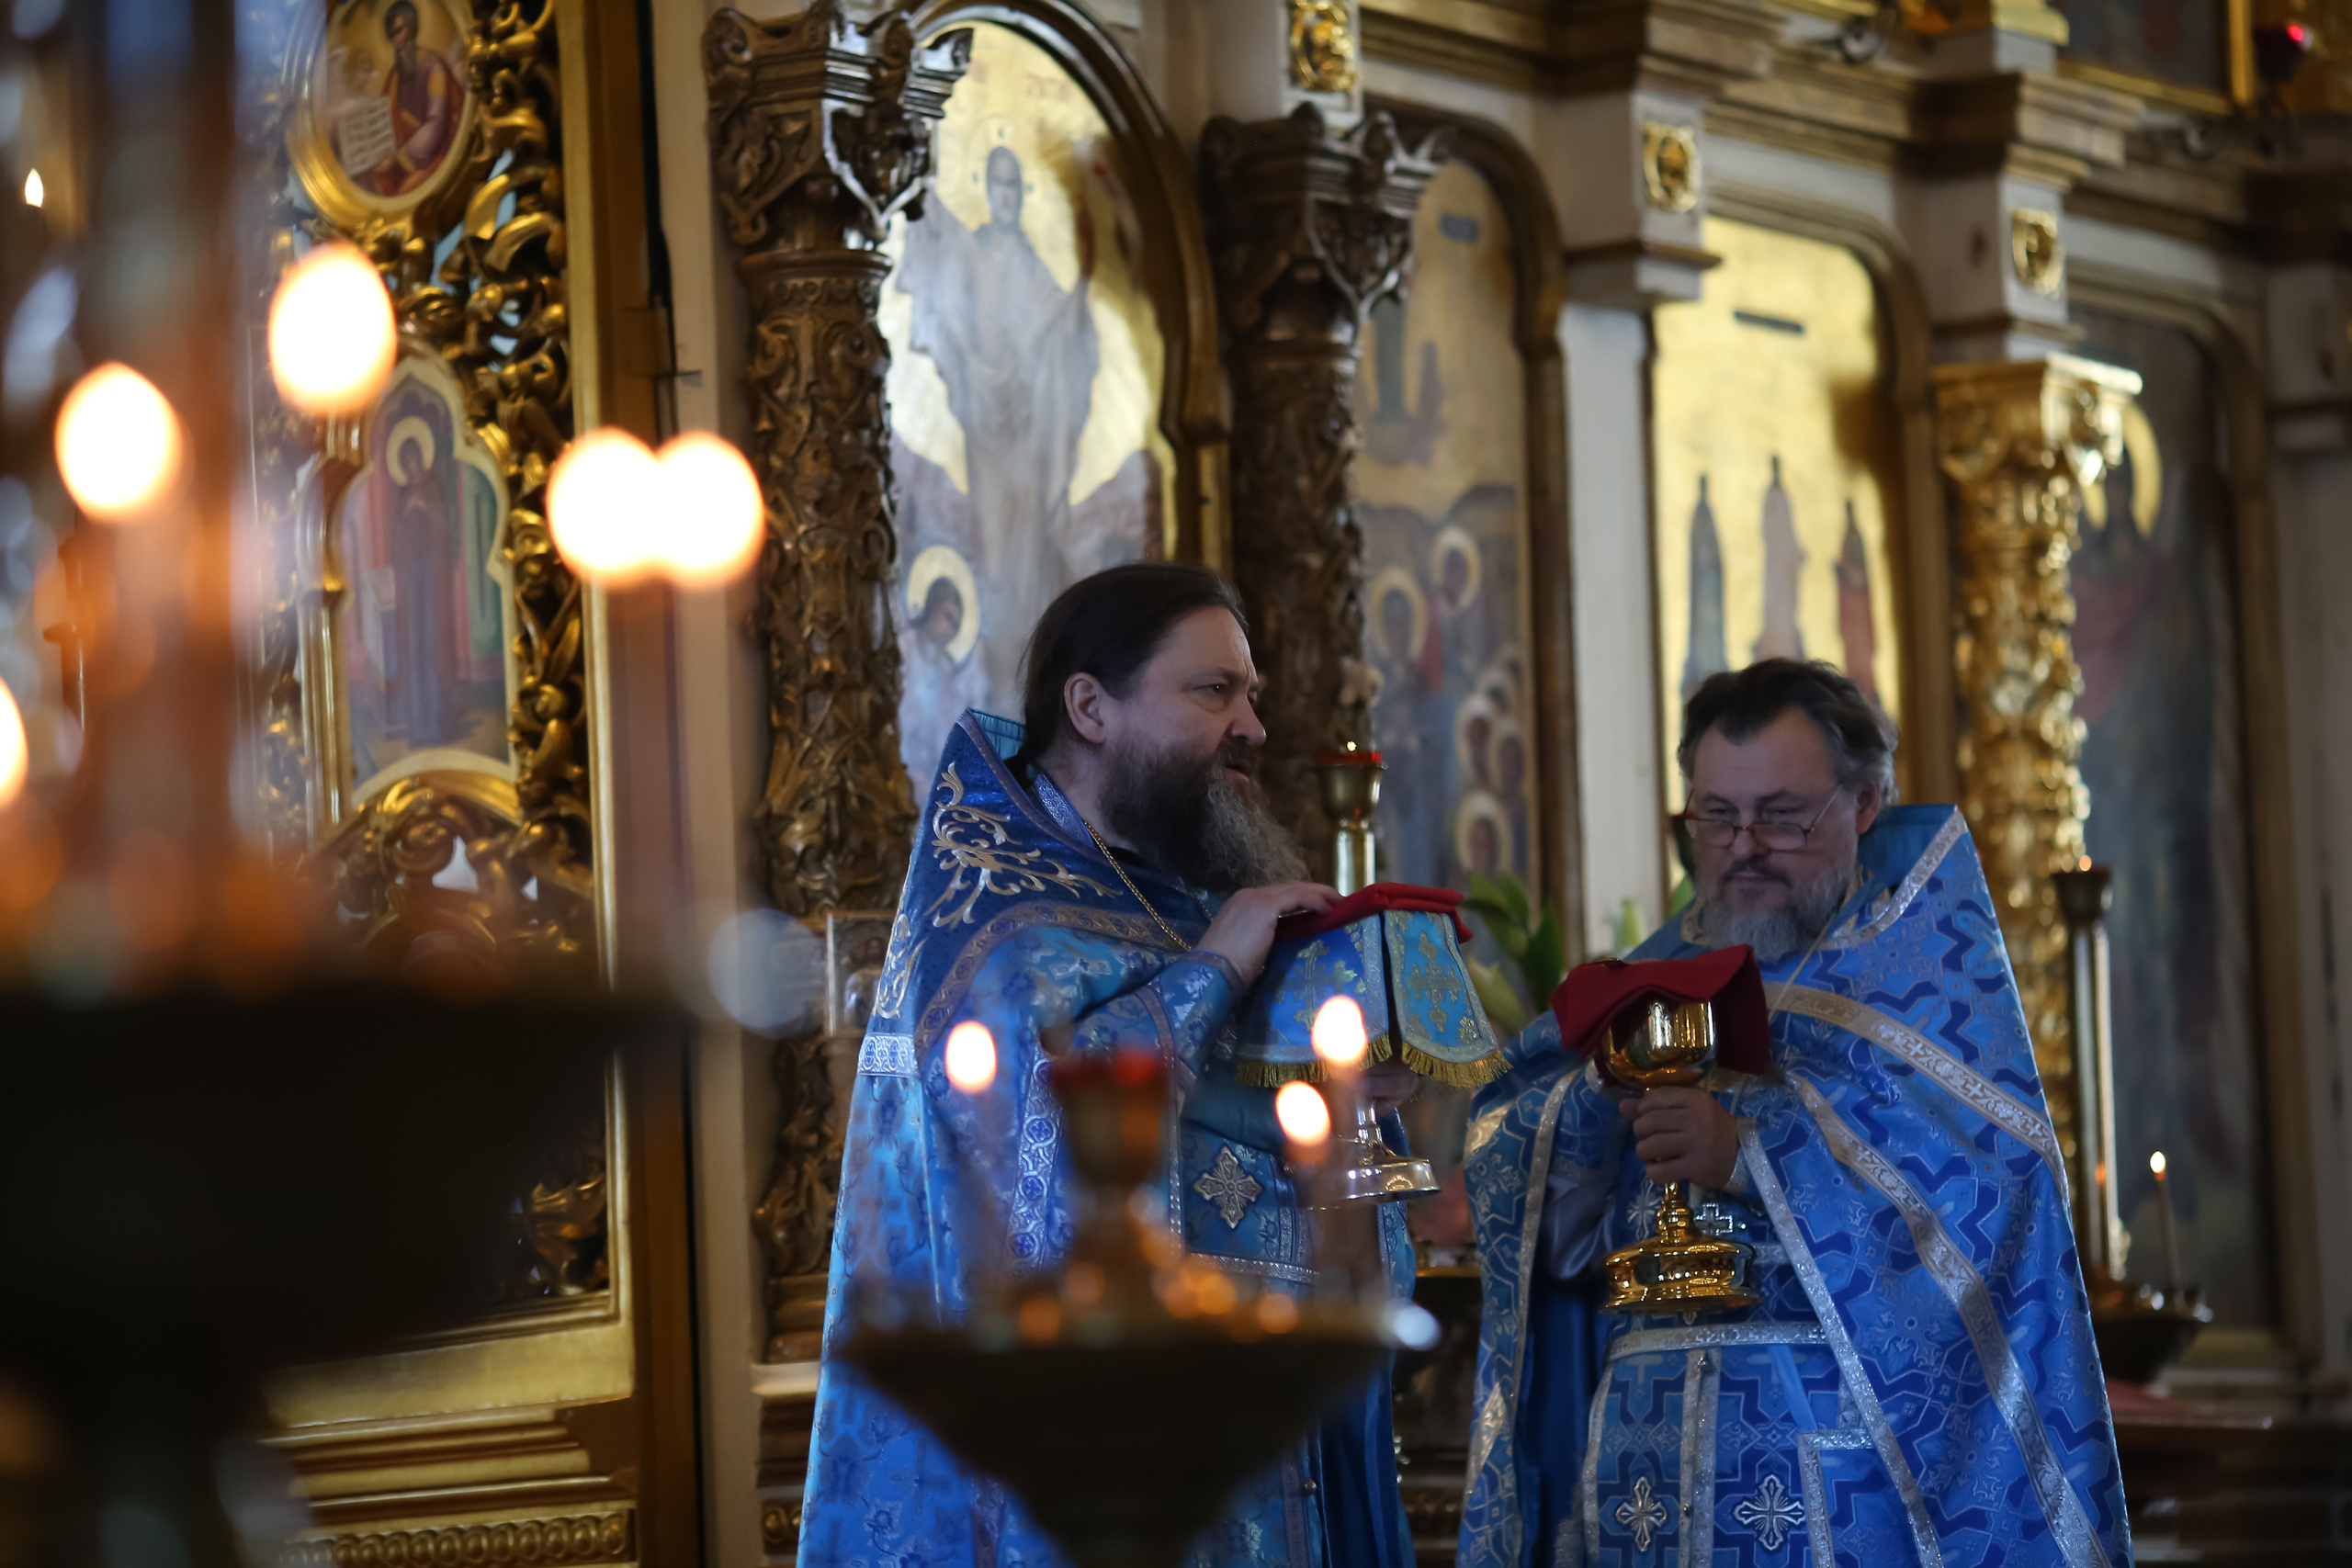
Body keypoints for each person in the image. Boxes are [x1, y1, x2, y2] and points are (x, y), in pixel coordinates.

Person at [804, 562, 1423, 1567]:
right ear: (1089, 706)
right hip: (1086, 1474)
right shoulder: (995, 924)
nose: (1254, 726)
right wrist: (1217, 967)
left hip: (1264, 1454)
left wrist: (1355, 1109)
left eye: (1251, 694)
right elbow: (1040, 1146)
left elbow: (1326, 1220)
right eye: (1213, 690)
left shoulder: (1184, 899)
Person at [1459, 658, 2129, 1568]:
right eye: (1716, 817)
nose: (1743, 848)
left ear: (1863, 806)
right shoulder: (1638, 993)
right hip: (1635, 1491)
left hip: (1836, 1498)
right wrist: (1591, 1103)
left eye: (1781, 816)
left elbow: (1995, 1209)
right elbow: (1532, 1232)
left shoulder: (1925, 997)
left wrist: (1746, 1154)